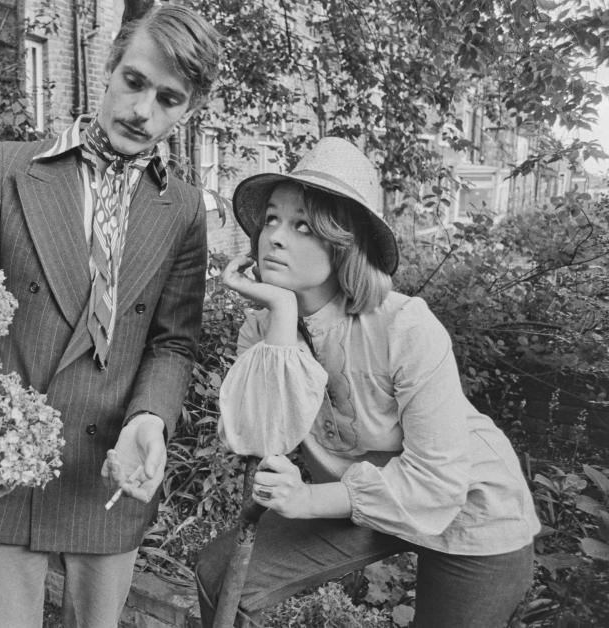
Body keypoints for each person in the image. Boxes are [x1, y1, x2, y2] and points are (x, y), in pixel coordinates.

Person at [0, 5, 221, 627]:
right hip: (2, 464)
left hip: (106, 471)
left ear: (188, 110)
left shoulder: (184, 210)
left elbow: (173, 342)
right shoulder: (9, 168)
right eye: (136, 82)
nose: (144, 112)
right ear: (109, 67)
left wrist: (151, 418)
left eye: (169, 99)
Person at [195, 137, 540, 627]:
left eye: (302, 226)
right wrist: (283, 311)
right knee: (219, 572)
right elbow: (254, 437)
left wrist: (308, 498)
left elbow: (436, 483)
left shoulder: (404, 326)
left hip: (471, 509)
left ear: (343, 243)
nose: (273, 236)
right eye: (271, 218)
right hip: (360, 494)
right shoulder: (265, 327)